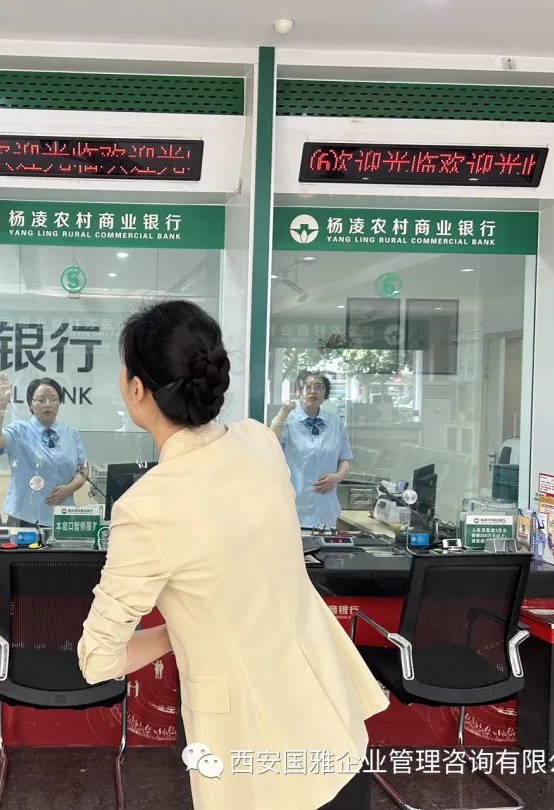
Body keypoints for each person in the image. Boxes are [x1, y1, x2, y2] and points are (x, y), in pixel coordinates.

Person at [77, 301, 387, 810]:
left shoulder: (146, 507)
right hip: (332, 720)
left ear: (136, 389)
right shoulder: (258, 441)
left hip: (258, 753)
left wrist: (180, 630)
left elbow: (98, 660)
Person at [0, 373, 88, 527]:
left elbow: (84, 468)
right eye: (41, 400)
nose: (48, 404)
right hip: (24, 517)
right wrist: (1, 404)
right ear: (30, 404)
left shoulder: (71, 434)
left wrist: (69, 489)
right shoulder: (19, 430)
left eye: (53, 399)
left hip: (62, 517)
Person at [270, 372, 353, 530]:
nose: (313, 391)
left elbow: (345, 458)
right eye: (308, 387)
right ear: (299, 392)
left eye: (319, 387)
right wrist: (283, 412)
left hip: (326, 509)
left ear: (325, 394)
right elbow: (270, 443)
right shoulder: (288, 420)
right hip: (295, 508)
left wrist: (337, 477)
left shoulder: (335, 423)